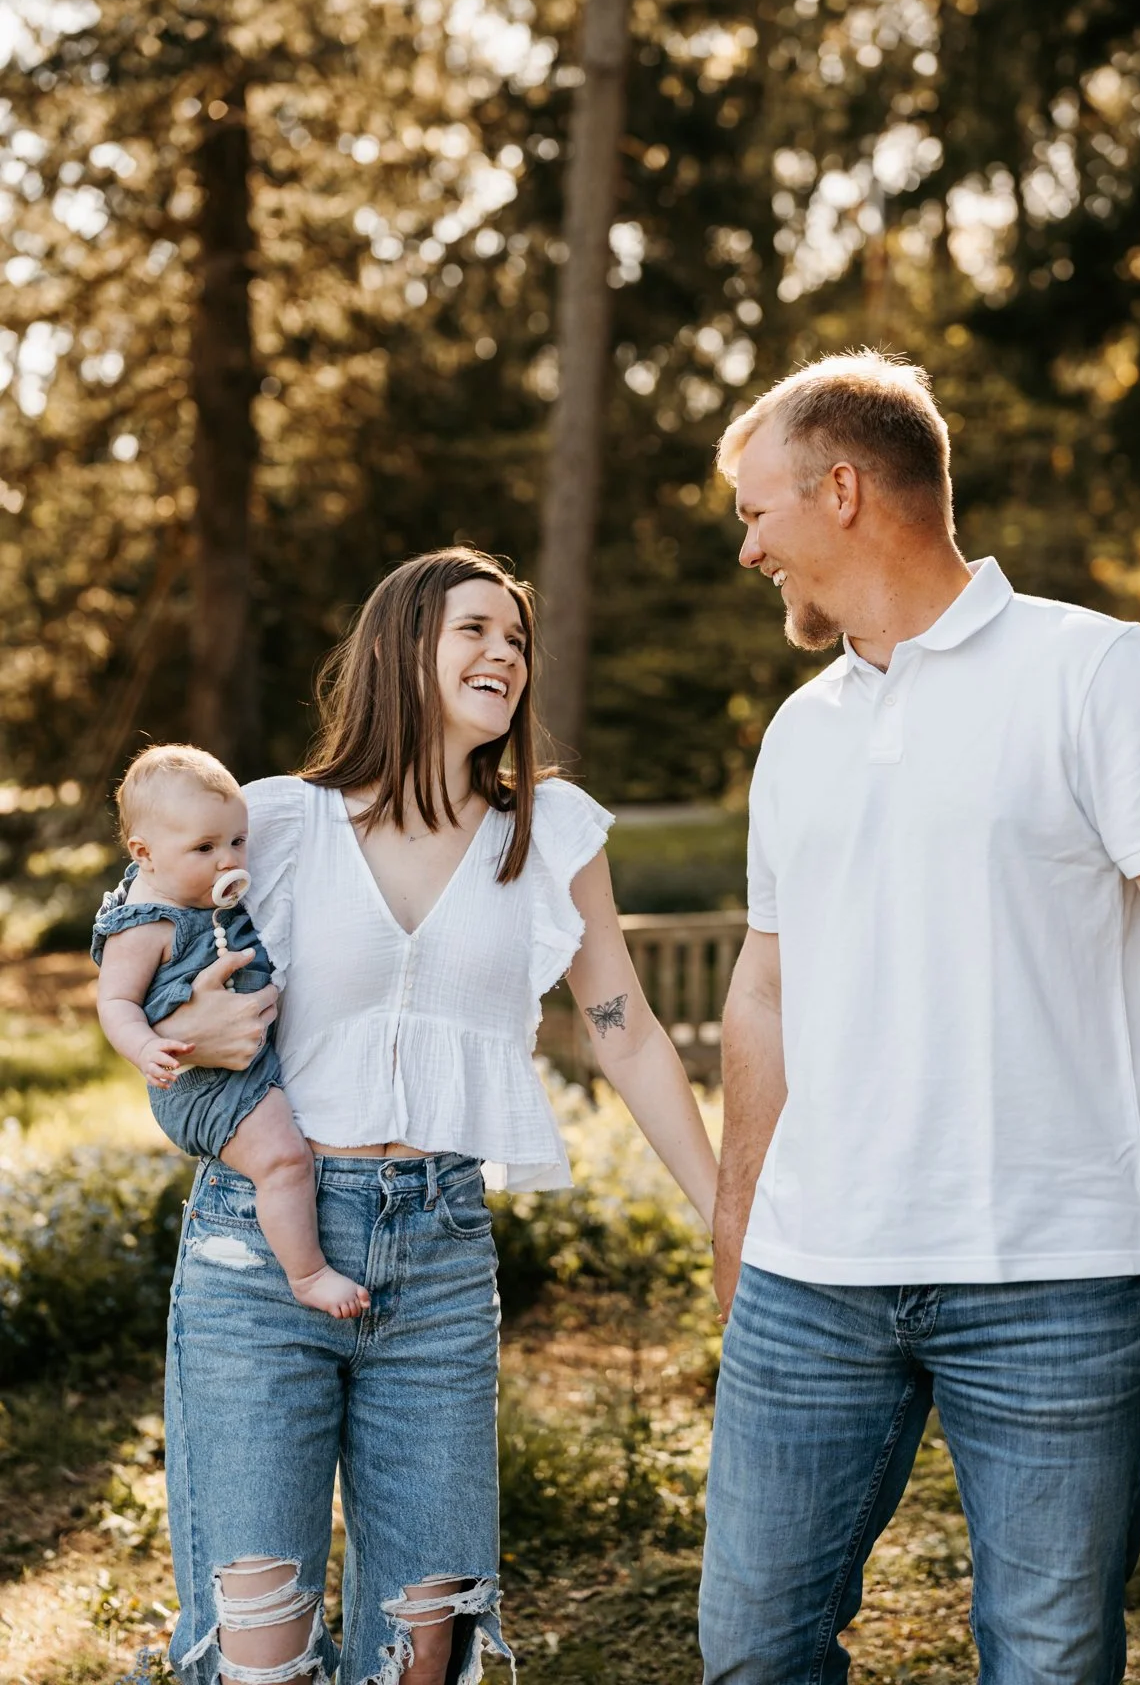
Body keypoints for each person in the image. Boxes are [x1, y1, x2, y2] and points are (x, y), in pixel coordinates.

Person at [699, 351, 1140, 1685]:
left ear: (839, 489)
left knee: (1045, 1661)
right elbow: (765, 990)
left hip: (1055, 1275)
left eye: (756, 511)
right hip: (812, 1280)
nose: (750, 549)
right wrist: (740, 1220)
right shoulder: (798, 733)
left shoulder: (1093, 671)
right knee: (751, 1655)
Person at [152, 546, 718, 1685]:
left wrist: (725, 1215)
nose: (503, 652)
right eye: (474, 629)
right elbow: (161, 1013)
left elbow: (626, 1029)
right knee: (259, 1647)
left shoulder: (548, 830)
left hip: (439, 1253)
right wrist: (187, 1041)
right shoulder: (274, 823)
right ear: (400, 646)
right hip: (262, 1250)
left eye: (515, 638)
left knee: (433, 1647)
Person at [92, 745, 370, 1319]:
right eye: (204, 848)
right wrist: (147, 1047)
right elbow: (115, 1001)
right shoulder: (148, 924)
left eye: (237, 842)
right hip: (204, 1083)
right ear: (144, 854)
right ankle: (308, 1273)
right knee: (285, 1160)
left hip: (242, 1062)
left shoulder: (199, 894)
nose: (229, 861)